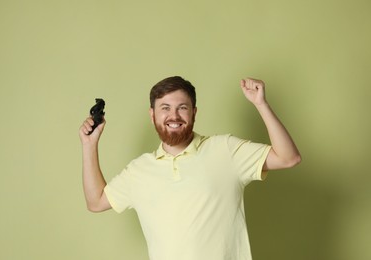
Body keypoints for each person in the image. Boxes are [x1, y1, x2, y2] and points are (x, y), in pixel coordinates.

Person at [79, 76, 301, 260]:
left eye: (182, 108)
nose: (173, 116)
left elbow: (288, 158)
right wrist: (89, 145)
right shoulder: (139, 170)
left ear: (194, 112)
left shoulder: (225, 149)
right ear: (152, 114)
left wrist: (261, 104)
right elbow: (96, 201)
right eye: (165, 108)